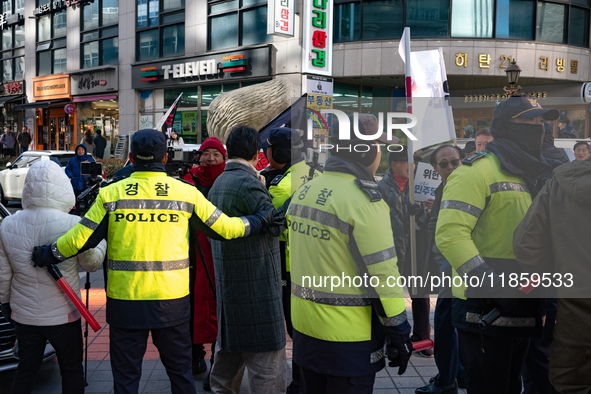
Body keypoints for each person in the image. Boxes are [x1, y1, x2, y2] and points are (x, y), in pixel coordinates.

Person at [31, 129, 272, 394]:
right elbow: (226, 229)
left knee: (126, 378)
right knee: (180, 374)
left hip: (125, 304)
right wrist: (259, 219)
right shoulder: (186, 193)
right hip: (172, 303)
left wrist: (48, 254)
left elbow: (79, 239)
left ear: (131, 157)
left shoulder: (111, 194)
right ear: (166, 157)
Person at [435, 95, 559, 394]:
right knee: (489, 387)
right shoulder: (474, 171)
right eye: (529, 121)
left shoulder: (533, 173)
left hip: (525, 298)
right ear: (505, 127)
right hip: (484, 305)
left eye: (540, 121)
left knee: (512, 385)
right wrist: (488, 279)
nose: (537, 127)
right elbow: (450, 234)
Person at [290, 113, 412, 393]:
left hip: (306, 330)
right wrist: (399, 332)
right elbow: (383, 274)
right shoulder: (364, 201)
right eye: (379, 145)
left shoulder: (306, 190)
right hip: (348, 339)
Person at [0, 160, 107, 394]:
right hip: (64, 314)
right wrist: (101, 243)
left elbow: (4, 274)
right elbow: (91, 264)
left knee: (26, 368)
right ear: (62, 187)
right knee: (71, 369)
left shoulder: (8, 224)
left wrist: (7, 304)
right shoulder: (72, 224)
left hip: (23, 314)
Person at [207, 126, 287, 394]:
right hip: (257, 288)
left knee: (227, 362)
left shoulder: (220, 181)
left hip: (229, 284)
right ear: (257, 152)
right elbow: (274, 224)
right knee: (267, 368)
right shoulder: (248, 182)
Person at [513, 157, 591, 394]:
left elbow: (525, 243)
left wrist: (553, 281)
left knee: (571, 382)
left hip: (576, 310)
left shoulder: (559, 184)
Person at [262, 127, 319, 394]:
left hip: (291, 267)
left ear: (280, 152)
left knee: (298, 330)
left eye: (270, 148)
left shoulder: (281, 186)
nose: (266, 152)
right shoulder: (317, 173)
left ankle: (300, 384)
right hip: (319, 263)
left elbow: (271, 227)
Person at [416, 145, 464, 394]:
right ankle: (456, 375)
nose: (450, 167)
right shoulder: (441, 188)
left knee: (446, 324)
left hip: (463, 268)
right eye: (443, 164)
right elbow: (435, 228)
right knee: (451, 323)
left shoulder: (468, 185)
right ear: (435, 168)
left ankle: (447, 381)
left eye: (454, 162)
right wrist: (428, 212)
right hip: (449, 267)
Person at [182, 136, 227, 391]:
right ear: (198, 156)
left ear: (224, 157)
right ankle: (195, 357)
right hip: (190, 254)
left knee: (219, 309)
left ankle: (216, 362)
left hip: (220, 254)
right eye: (206, 153)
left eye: (216, 154)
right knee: (190, 306)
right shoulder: (187, 180)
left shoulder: (229, 180)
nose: (211, 158)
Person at [378, 147, 431, 357]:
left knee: (421, 293)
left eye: (415, 162)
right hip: (392, 248)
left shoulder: (421, 187)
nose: (413, 166)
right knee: (391, 294)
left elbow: (428, 221)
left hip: (416, 247)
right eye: (407, 162)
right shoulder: (381, 187)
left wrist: (420, 213)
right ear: (393, 164)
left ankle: (423, 338)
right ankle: (393, 338)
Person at [65, 144, 96, 213]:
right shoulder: (72, 160)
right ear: (76, 151)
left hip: (87, 184)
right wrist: (71, 176)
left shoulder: (90, 159)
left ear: (85, 151)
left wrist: (89, 167)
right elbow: (67, 169)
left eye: (82, 150)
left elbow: (95, 170)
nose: (80, 151)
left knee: (88, 201)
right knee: (76, 201)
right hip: (76, 184)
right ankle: (76, 215)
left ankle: (87, 214)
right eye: (79, 149)